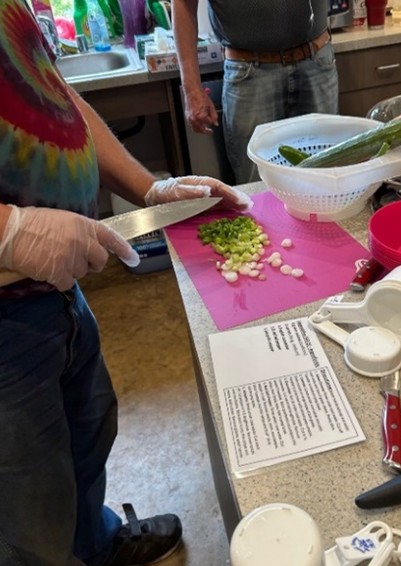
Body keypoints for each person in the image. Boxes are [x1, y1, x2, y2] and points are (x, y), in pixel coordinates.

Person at [0, 1, 251, 564]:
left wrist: (150, 188)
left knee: (88, 435)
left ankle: (95, 543)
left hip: (55, 290)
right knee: (26, 508)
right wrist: (8, 231)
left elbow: (54, 95)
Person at [172, 0, 339, 185]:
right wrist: (191, 89)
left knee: (325, 177)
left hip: (316, 60)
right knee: (257, 183)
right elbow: (183, 4)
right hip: (249, 70)